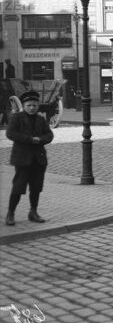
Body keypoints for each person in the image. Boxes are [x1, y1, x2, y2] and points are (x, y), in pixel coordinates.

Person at [5, 90, 53, 226]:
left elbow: (49, 135)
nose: (32, 108)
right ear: (24, 106)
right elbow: (10, 133)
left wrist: (40, 139)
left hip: (38, 159)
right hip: (22, 159)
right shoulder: (17, 118)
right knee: (18, 187)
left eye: (34, 105)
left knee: (36, 187)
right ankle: (10, 213)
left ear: (38, 106)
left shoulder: (41, 119)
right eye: (29, 105)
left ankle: (33, 212)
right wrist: (30, 139)